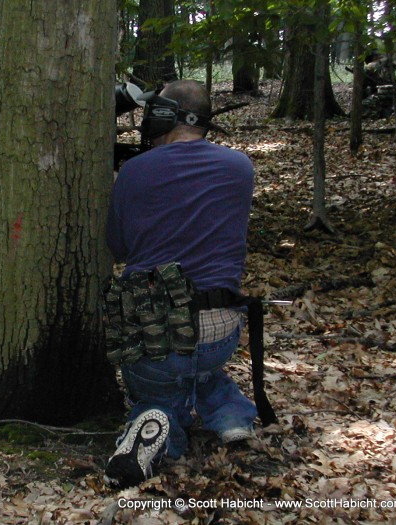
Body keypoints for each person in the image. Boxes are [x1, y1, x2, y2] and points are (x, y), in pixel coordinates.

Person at [103, 79, 258, 489]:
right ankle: (233, 417)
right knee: (199, 370)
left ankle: (154, 428)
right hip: (219, 332)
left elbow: (117, 247)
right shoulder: (240, 167)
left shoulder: (134, 172)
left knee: (160, 393)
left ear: (162, 116)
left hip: (154, 335)